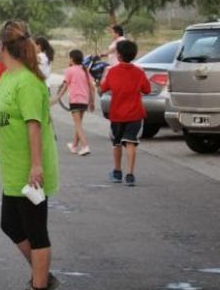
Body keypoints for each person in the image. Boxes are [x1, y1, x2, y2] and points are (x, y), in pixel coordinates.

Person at [0, 20, 59, 290]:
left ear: (2, 47)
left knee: (35, 229)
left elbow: (34, 125)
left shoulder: (29, 83)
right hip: (12, 167)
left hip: (30, 168)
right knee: (9, 223)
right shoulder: (7, 76)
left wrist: (36, 166)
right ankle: (42, 275)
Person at [100, 39, 150, 186]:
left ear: (119, 55)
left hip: (117, 114)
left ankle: (117, 172)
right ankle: (130, 175)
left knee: (116, 143)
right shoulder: (139, 72)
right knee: (131, 143)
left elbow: (103, 88)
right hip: (135, 113)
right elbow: (146, 89)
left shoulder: (112, 72)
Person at [56, 49, 95, 156]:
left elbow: (65, 86)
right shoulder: (85, 70)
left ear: (72, 59)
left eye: (69, 57)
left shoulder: (70, 70)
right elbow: (92, 87)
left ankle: (85, 146)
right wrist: (92, 101)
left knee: (77, 125)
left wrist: (58, 97)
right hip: (84, 101)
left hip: (75, 100)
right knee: (79, 124)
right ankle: (74, 146)